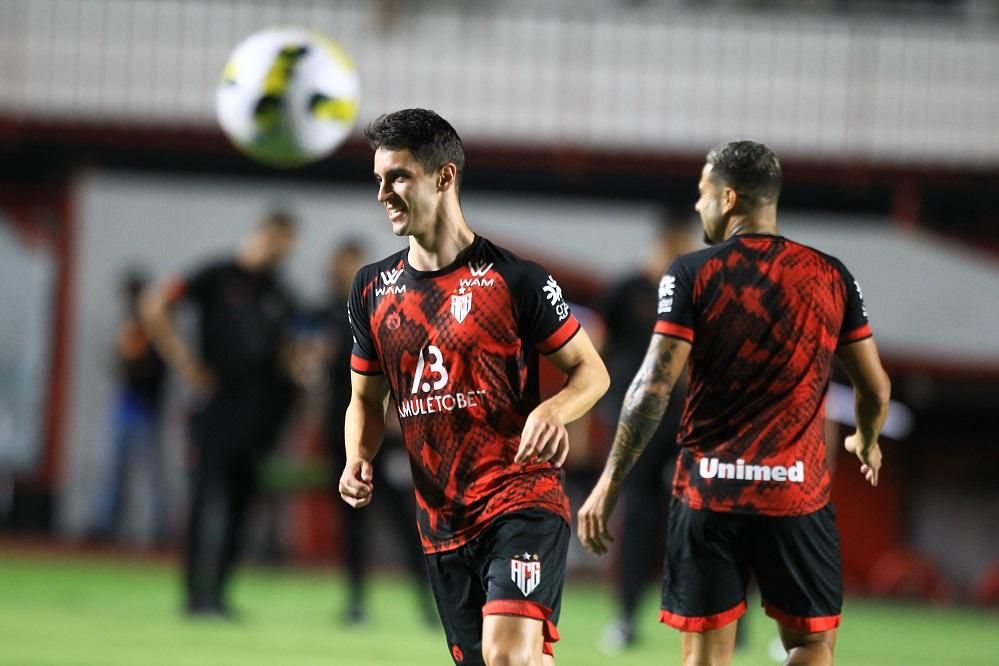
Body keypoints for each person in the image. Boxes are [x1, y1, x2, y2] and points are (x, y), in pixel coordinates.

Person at [578, 141, 890, 666]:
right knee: (811, 646)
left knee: (704, 656)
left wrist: (610, 481)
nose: (698, 207)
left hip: (709, 493)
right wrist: (868, 436)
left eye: (702, 195)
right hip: (796, 492)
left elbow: (652, 385)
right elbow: (876, 388)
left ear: (727, 197)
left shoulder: (691, 272)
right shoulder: (831, 275)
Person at [339, 108, 609, 666]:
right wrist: (355, 457)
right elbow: (364, 400)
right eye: (379, 180)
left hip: (521, 499)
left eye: (398, 177)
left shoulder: (516, 280)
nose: (384, 193)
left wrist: (555, 409)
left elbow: (592, 373)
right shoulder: (372, 289)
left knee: (505, 655)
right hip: (441, 519)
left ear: (444, 177)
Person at [142, 212, 299, 618]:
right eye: (278, 240)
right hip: (214, 411)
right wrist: (184, 363)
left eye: (288, 244)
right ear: (261, 235)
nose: (281, 251)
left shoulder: (280, 292)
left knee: (242, 505)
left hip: (258, 419)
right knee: (202, 500)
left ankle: (219, 595)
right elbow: (155, 304)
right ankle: (194, 595)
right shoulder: (216, 276)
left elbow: (288, 353)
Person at [318, 239, 433, 624]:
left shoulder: (382, 311)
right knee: (353, 520)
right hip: (344, 434)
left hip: (388, 436)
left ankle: (429, 601)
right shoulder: (325, 316)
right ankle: (356, 600)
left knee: (407, 518)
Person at [596, 215, 694, 653]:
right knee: (636, 520)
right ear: (664, 241)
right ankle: (626, 618)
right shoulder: (627, 290)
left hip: (683, 422)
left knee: (701, 518)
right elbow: (595, 348)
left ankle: (719, 616)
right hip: (634, 422)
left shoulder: (693, 293)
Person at [90, 269, 170, 545]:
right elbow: (117, 364)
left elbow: (160, 367)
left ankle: (159, 528)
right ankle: (107, 523)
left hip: (147, 405)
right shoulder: (127, 326)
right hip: (126, 403)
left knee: (151, 470)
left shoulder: (158, 326)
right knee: (113, 468)